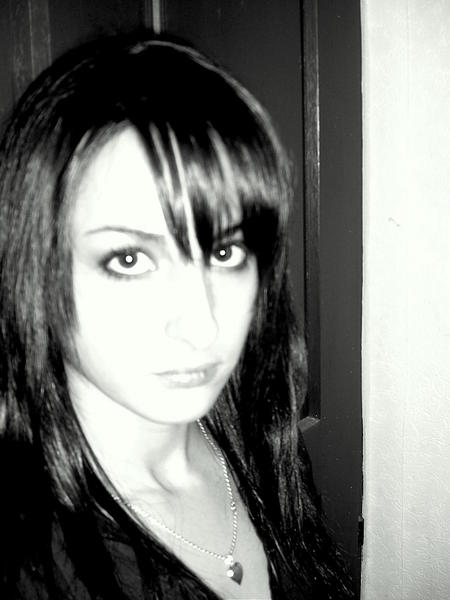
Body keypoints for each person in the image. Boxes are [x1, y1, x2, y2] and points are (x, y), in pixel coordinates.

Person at [0, 31, 355, 599]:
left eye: (224, 252)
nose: (202, 325)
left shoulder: (257, 435)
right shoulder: (29, 563)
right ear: (34, 268)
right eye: (130, 259)